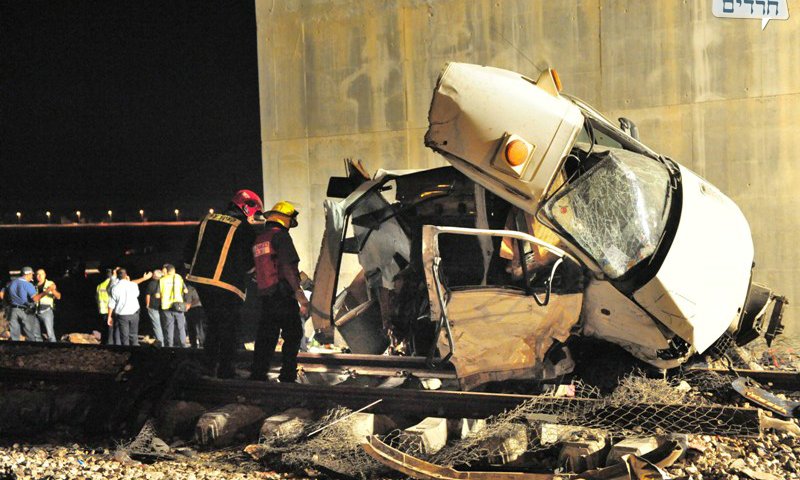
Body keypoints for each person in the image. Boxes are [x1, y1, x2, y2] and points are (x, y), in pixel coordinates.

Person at [184, 189, 261, 378]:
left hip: (201, 282)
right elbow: (249, 262)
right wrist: (255, 275)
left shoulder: (207, 220)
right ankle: (226, 370)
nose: (253, 217)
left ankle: (208, 365)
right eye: (254, 212)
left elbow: (189, 251)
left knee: (215, 324)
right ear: (247, 208)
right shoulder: (243, 228)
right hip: (227, 286)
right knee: (230, 327)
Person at [250, 201, 310, 383]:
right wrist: (299, 294)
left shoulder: (260, 238)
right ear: (285, 219)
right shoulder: (281, 237)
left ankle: (258, 375)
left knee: (266, 336)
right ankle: (288, 375)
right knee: (293, 334)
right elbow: (287, 266)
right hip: (282, 293)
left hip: (265, 294)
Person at [6, 267, 49, 341]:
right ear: (27, 274)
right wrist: (46, 292)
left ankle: (15, 350)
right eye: (32, 274)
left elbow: (3, 295)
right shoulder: (28, 285)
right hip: (25, 311)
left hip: (13, 310)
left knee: (14, 336)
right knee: (30, 334)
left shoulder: (11, 283)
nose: (32, 276)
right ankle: (30, 351)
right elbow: (35, 298)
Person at [107, 268, 142, 346]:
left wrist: (109, 316)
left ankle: (126, 353)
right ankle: (135, 352)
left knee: (124, 337)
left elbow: (111, 303)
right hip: (134, 313)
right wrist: (129, 281)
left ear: (117, 277)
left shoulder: (114, 288)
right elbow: (137, 295)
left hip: (122, 315)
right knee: (134, 335)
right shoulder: (133, 285)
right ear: (126, 275)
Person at [157, 264, 188, 347]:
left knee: (169, 327)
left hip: (166, 307)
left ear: (167, 271)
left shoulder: (162, 280)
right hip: (178, 306)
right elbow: (186, 291)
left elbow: (157, 295)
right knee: (181, 327)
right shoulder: (179, 278)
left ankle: (170, 345)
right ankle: (183, 345)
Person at [34, 269, 61, 342]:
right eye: (37, 274)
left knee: (50, 333)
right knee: (36, 333)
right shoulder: (34, 285)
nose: (39, 276)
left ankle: (53, 348)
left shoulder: (50, 283)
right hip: (36, 311)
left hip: (46, 311)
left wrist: (52, 290)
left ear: (45, 275)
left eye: (41, 274)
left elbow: (58, 296)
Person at [143, 268, 165, 346]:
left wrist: (147, 304)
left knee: (156, 325)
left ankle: (160, 343)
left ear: (155, 275)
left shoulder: (151, 283)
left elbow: (148, 294)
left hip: (153, 306)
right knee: (162, 324)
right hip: (163, 306)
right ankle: (161, 340)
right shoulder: (163, 282)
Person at [96, 269, 117, 345]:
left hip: (102, 310)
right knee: (111, 331)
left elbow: (97, 298)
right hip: (111, 310)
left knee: (104, 329)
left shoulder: (100, 285)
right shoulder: (114, 285)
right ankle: (110, 345)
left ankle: (103, 343)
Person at [184, 284, 206, 348]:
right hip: (202, 309)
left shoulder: (190, 289)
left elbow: (188, 303)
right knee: (200, 327)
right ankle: (202, 342)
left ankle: (193, 344)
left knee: (192, 328)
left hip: (193, 310)